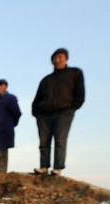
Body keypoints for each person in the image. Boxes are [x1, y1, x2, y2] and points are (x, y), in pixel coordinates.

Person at [32, 47, 85, 176]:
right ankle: (43, 166)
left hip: (64, 111)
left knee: (60, 140)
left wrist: (74, 106)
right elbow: (37, 97)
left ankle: (57, 168)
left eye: (60, 57)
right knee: (43, 142)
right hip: (44, 114)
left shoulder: (75, 73)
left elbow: (80, 92)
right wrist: (36, 112)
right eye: (55, 58)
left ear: (66, 58)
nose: (57, 60)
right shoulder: (46, 80)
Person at [0, 79, 22, 173]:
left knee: (1, 157)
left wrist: (10, 125)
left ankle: (1, 177)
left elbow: (17, 113)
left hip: (3, 133)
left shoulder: (10, 98)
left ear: (5, 86)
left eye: (1, 85)